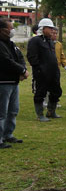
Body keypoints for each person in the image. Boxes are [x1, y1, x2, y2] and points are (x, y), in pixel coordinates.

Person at [0, 18, 28, 148]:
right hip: (3, 82)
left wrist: (23, 70)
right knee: (2, 112)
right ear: (2, 30)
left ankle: (8, 134)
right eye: (10, 28)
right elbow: (6, 61)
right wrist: (21, 70)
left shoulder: (11, 44)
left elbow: (20, 57)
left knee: (13, 110)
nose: (12, 30)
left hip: (14, 82)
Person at [27, 18, 61, 122]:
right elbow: (32, 57)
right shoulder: (35, 40)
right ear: (43, 28)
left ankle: (51, 111)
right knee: (40, 93)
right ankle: (40, 114)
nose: (52, 30)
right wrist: (39, 69)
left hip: (53, 72)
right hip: (41, 73)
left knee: (56, 91)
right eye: (50, 28)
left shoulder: (50, 41)